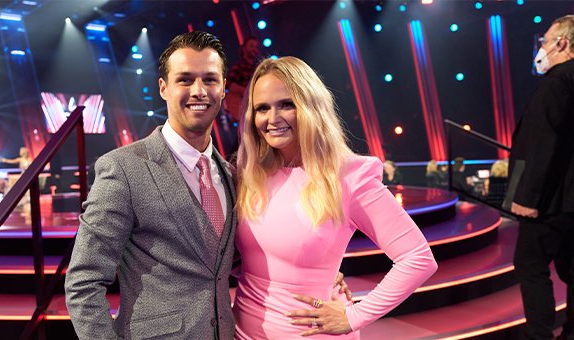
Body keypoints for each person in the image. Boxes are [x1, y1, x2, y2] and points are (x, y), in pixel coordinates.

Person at [233, 56, 437, 339]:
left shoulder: (348, 177)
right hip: (242, 331)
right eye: (262, 108)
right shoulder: (250, 175)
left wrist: (354, 317)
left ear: (310, 107)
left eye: (286, 105)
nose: (272, 118)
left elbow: (418, 257)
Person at [65, 31, 238, 339]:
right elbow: (83, 281)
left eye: (210, 80)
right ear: (163, 88)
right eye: (185, 79)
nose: (199, 90)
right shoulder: (123, 167)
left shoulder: (230, 174)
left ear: (223, 88)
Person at [507, 15, 574, 340]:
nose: (542, 47)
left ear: (563, 43)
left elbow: (541, 142)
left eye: (546, 41)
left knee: (530, 266)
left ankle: (539, 336)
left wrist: (525, 199)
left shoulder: (557, 81)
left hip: (549, 202)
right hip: (569, 202)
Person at [225, 36, 260, 123]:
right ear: (244, 48)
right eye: (251, 46)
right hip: (242, 108)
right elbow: (228, 85)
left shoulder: (258, 69)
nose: (254, 49)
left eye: (256, 47)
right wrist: (246, 91)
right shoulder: (238, 68)